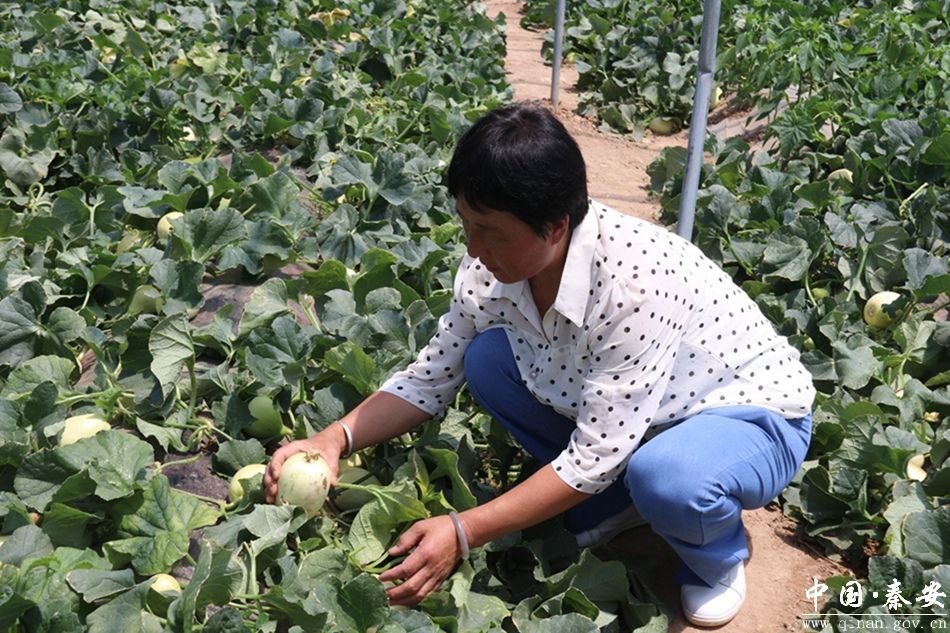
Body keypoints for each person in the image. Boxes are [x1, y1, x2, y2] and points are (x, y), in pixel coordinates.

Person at [264, 102, 815, 627]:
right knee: (487, 361)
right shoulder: (490, 269)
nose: (473, 248)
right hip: (636, 412)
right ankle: (617, 506)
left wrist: (463, 530)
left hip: (747, 414)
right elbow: (430, 376)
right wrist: (333, 439)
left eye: (490, 231)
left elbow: (594, 457)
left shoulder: (635, 283)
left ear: (554, 226)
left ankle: (718, 556)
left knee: (669, 478)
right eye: (467, 224)